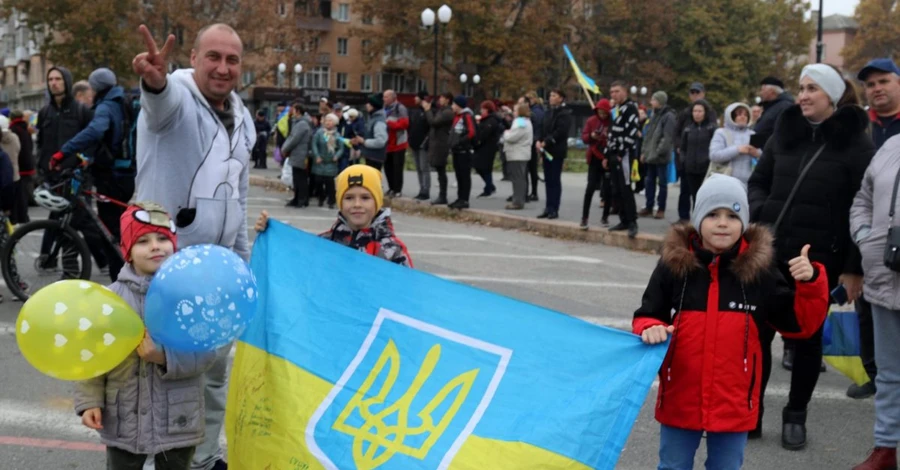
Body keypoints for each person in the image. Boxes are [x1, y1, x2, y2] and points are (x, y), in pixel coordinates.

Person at [635, 174, 828, 470]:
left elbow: (800, 325)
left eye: (732, 215)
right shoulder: (675, 264)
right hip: (681, 393)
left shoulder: (759, 271)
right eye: (713, 214)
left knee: (726, 466)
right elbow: (648, 312)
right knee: (672, 465)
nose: (722, 223)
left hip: (735, 399)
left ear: (745, 222)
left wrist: (812, 282)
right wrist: (650, 328)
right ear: (698, 218)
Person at [132, 23, 258, 470]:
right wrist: (155, 81)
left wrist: (242, 267)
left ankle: (203, 459)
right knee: (161, 381)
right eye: (213, 57)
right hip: (164, 274)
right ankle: (156, 463)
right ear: (193, 56)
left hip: (217, 276)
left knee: (212, 377)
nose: (223, 68)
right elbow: (160, 105)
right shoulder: (178, 98)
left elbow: (237, 198)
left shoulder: (243, 118)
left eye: (232, 59)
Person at [748, 63, 875, 449]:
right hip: (767, 254)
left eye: (812, 89)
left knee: (805, 343)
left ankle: (795, 415)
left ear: (832, 97)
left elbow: (862, 207)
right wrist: (763, 212)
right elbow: (758, 181)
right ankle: (750, 413)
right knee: (756, 336)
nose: (802, 95)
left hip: (817, 263)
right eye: (801, 87)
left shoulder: (856, 143)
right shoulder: (783, 132)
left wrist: (852, 269)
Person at [74, 202, 219, 470]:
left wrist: (164, 357)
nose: (155, 246)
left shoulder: (189, 296)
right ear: (127, 252)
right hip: (124, 417)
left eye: (163, 238)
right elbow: (91, 355)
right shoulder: (110, 300)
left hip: (178, 417)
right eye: (143, 241)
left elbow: (206, 354)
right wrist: (89, 401)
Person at [850, 115, 900, 470]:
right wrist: (866, 236)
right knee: (888, 372)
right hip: (885, 281)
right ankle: (885, 449)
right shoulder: (889, 148)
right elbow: (862, 199)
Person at [52, 68, 135, 283]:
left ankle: (121, 281)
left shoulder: (106, 107)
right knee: (118, 225)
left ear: (96, 86)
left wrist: (64, 151)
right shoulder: (121, 101)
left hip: (111, 176)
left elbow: (96, 131)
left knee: (111, 231)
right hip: (126, 171)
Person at [850, 58, 900, 402]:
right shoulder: (859, 129)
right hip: (868, 237)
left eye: (883, 81)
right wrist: (863, 238)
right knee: (866, 308)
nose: (877, 89)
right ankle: (875, 373)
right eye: (870, 84)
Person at [256, 164, 411, 267]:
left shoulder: (394, 250)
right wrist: (270, 233)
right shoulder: (325, 244)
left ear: (377, 203)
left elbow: (409, 298)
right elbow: (294, 265)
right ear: (340, 202)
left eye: (365, 198)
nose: (357, 204)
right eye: (349, 198)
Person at [37, 66, 93, 176]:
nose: (53, 83)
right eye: (50, 79)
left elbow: (91, 142)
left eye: (58, 79)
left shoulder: (81, 110)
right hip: (48, 175)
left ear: (66, 81)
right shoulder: (44, 112)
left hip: (74, 176)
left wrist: (84, 162)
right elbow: (40, 143)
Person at [606, 81, 640, 238]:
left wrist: (620, 151)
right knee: (617, 189)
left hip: (625, 154)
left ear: (625, 91)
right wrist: (608, 154)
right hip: (614, 154)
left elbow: (632, 132)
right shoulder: (615, 109)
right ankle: (623, 219)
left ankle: (632, 221)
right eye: (612, 92)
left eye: (617, 91)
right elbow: (612, 132)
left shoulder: (631, 108)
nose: (614, 94)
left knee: (626, 188)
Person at [534, 89, 572, 219]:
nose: (550, 97)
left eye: (554, 95)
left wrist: (547, 142)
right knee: (548, 180)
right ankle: (548, 207)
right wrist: (538, 140)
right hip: (546, 151)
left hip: (556, 151)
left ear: (561, 98)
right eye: (550, 95)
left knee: (554, 180)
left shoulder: (564, 113)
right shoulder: (548, 112)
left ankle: (554, 208)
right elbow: (541, 127)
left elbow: (560, 132)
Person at [678, 100, 717, 222]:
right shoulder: (688, 129)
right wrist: (684, 161)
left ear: (705, 112)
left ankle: (705, 220)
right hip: (690, 168)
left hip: (706, 169)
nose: (697, 114)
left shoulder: (711, 128)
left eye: (700, 111)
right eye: (695, 111)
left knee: (705, 197)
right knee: (694, 195)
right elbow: (682, 148)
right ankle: (694, 220)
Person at [639, 91, 676, 220]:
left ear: (660, 101)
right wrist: (644, 152)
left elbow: (667, 138)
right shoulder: (653, 114)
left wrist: (657, 152)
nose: (651, 102)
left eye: (654, 100)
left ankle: (661, 208)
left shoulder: (668, 116)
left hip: (660, 157)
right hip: (650, 156)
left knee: (662, 183)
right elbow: (648, 135)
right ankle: (649, 206)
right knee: (649, 182)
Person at [709, 103, 760, 187]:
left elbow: (763, 155)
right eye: (739, 114)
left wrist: (756, 153)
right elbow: (714, 155)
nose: (743, 117)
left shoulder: (753, 134)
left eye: (746, 114)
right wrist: (737, 150)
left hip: (749, 182)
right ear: (731, 116)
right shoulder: (721, 133)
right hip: (726, 180)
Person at [580, 99, 611, 228]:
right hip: (594, 157)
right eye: (600, 112)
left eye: (604, 113)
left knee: (608, 188)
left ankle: (605, 216)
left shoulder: (612, 122)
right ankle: (584, 217)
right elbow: (584, 137)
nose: (602, 115)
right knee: (590, 187)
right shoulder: (591, 120)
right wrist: (592, 136)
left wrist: (607, 136)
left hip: (608, 157)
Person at [501, 102, 534, 211]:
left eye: (515, 110)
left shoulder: (521, 122)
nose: (513, 112)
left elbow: (512, 136)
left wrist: (506, 133)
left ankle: (518, 202)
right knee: (518, 178)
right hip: (518, 153)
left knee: (518, 179)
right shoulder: (522, 121)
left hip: (518, 154)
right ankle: (518, 200)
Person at [423, 93, 454, 205]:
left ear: (447, 100)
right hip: (437, 143)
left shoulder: (448, 112)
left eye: (442, 98)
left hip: (441, 144)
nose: (440, 100)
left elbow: (433, 122)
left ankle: (443, 195)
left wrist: (427, 110)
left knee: (441, 170)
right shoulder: (442, 110)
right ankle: (441, 195)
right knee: (439, 170)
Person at [282, 102, 314, 208]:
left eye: (294, 109)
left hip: (300, 153)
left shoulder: (302, 124)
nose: (292, 111)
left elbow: (294, 138)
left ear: (298, 111)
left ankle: (302, 199)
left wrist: (285, 148)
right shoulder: (299, 122)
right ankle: (297, 198)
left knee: (301, 178)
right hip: (297, 153)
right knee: (296, 177)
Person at [310, 113, 345, 209]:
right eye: (326, 120)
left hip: (331, 161)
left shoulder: (337, 135)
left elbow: (341, 148)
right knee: (318, 181)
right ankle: (321, 198)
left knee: (330, 182)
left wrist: (337, 156)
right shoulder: (319, 133)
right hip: (320, 161)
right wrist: (316, 155)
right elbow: (314, 145)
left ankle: (331, 200)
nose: (328, 123)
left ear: (335, 123)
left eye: (330, 121)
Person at [448, 95, 476, 210]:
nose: (452, 106)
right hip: (456, 150)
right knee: (458, 175)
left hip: (464, 150)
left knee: (464, 176)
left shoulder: (466, 116)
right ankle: (460, 198)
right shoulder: (456, 116)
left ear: (459, 105)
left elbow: (471, 132)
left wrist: (460, 141)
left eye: (454, 104)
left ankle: (465, 199)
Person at [753, 76, 795, 147]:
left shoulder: (785, 106)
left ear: (771, 91)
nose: (761, 93)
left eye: (762, 90)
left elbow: (783, 133)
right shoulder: (772, 106)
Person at [474, 101, 504, 198]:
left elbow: (485, 133)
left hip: (488, 147)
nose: (481, 110)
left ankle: (489, 187)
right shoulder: (486, 119)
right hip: (485, 146)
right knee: (481, 167)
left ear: (487, 109)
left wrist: (478, 139)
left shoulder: (491, 120)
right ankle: (489, 186)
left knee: (485, 167)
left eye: (482, 109)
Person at [382, 89, 409, 197]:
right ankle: (391, 188)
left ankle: (398, 190)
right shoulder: (384, 108)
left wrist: (389, 124)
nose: (384, 99)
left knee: (397, 167)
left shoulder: (400, 108)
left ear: (393, 97)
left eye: (386, 97)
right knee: (388, 167)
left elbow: (404, 124)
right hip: (387, 143)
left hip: (399, 143)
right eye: (384, 97)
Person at [352, 94, 388, 171]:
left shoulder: (379, 121)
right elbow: (369, 135)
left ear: (373, 105)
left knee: (372, 182)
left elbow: (380, 141)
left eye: (368, 103)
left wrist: (364, 141)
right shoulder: (372, 118)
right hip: (370, 156)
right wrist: (359, 141)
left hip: (375, 158)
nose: (366, 105)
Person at [9, 110, 33, 224]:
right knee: (24, 193)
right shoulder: (26, 129)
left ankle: (21, 216)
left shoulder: (13, 130)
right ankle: (24, 216)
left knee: (19, 194)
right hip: (27, 163)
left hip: (20, 165)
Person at [522, 91, 545, 202]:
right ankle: (534, 192)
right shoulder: (541, 110)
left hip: (531, 142)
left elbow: (536, 127)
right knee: (533, 169)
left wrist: (536, 139)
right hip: (536, 141)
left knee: (527, 169)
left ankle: (526, 193)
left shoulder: (533, 113)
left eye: (529, 99)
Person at [409, 91, 431, 200]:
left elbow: (430, 127)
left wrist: (426, 141)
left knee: (424, 168)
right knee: (418, 168)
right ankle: (421, 189)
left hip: (423, 144)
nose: (414, 99)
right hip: (414, 143)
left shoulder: (427, 112)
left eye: (416, 97)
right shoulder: (415, 111)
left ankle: (426, 190)